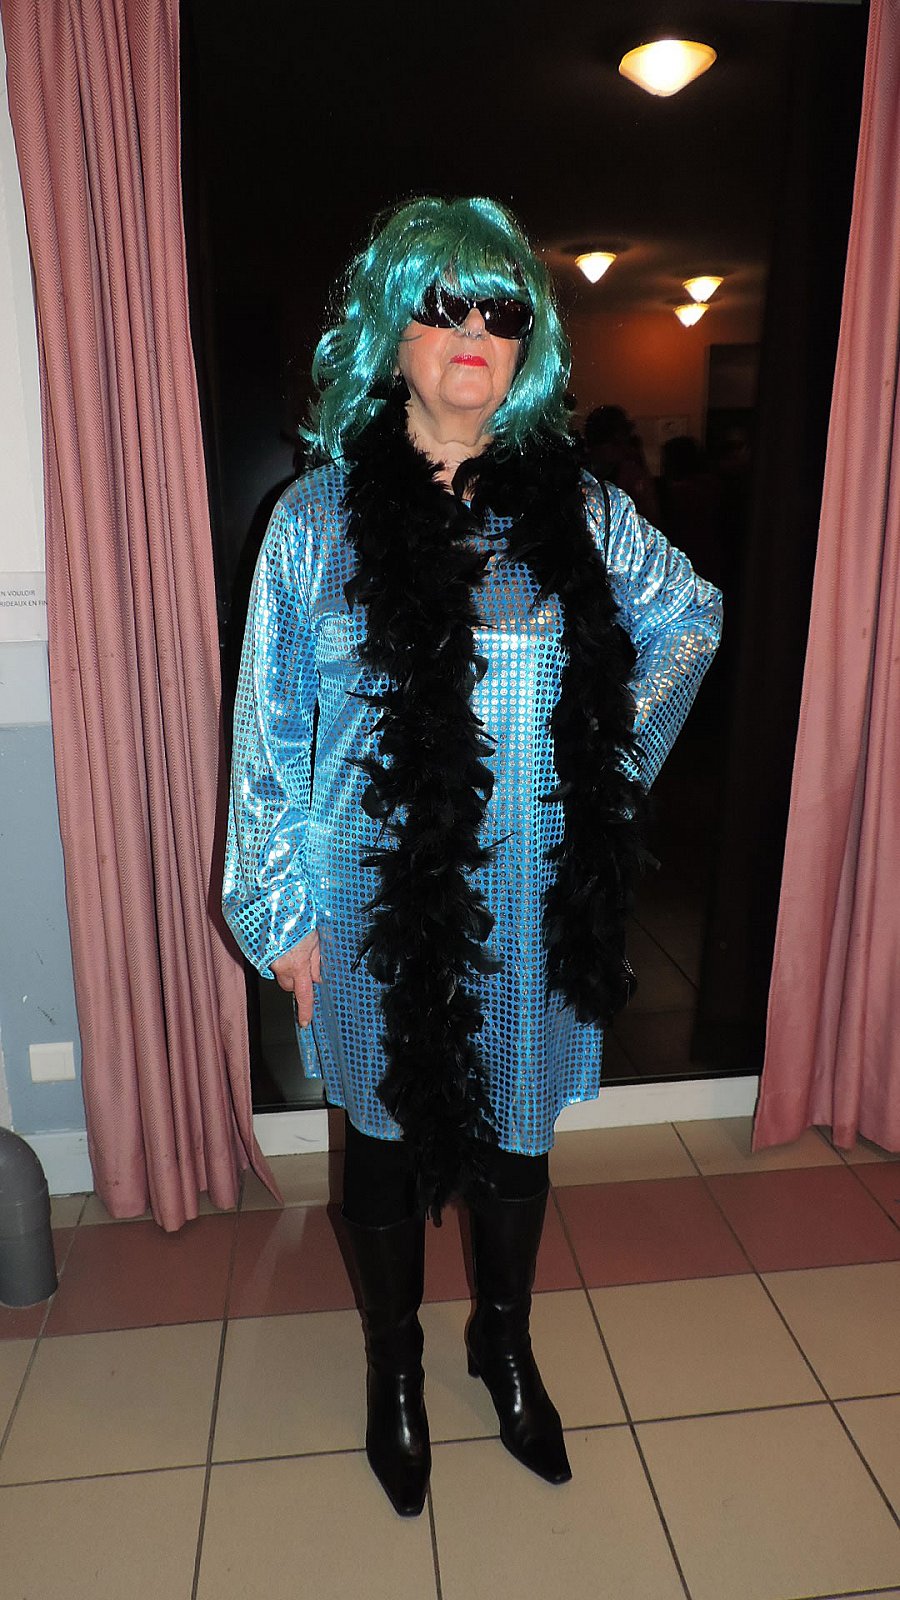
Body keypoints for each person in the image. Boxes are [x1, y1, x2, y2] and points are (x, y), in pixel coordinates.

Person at [223, 196, 722, 1517]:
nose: (471, 333)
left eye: (500, 311)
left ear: (527, 347)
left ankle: (503, 1347)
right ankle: (393, 1370)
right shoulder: (313, 521)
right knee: (383, 1148)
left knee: (515, 1138)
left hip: (532, 892)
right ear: (389, 334)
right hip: (368, 901)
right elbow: (268, 732)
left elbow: (690, 619)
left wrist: (604, 779)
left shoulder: (583, 513)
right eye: (441, 306)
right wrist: (281, 910)